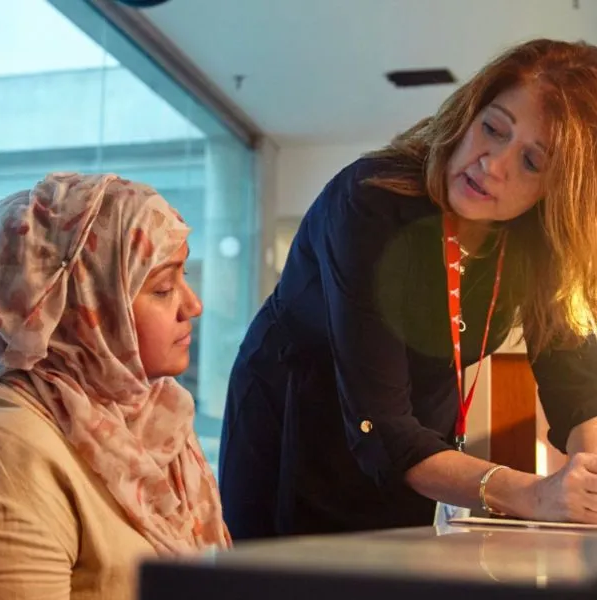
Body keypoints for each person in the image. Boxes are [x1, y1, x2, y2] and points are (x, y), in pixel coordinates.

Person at [219, 38, 597, 540]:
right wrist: (534, 494)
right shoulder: (371, 201)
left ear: (562, 187)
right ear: (469, 112)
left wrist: (589, 478)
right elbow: (383, 428)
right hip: (303, 412)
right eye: (493, 128)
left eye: (532, 162)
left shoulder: (539, 240)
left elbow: (575, 388)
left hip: (418, 426)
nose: (493, 164)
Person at [0, 173, 230, 600]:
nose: (193, 305)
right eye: (163, 288)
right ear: (88, 306)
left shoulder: (160, 416)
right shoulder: (14, 445)